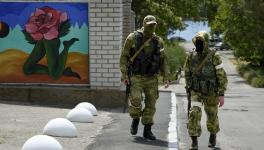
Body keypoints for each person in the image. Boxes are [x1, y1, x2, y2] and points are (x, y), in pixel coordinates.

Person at [120, 15, 170, 140]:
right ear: (144, 24)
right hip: (136, 76)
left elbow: (163, 60)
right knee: (136, 99)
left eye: (153, 25)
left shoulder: (158, 41)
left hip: (151, 78)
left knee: (151, 103)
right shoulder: (133, 38)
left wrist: (166, 76)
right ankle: (136, 119)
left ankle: (147, 129)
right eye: (149, 25)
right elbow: (124, 56)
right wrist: (124, 74)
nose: (151, 27)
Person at [184, 31, 228, 149]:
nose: (199, 44)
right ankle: (194, 141)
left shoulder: (214, 56)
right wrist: (188, 87)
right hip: (196, 91)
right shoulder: (191, 56)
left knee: (212, 115)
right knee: (193, 113)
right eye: (197, 41)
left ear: (206, 43)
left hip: (211, 92)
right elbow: (187, 72)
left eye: (201, 42)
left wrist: (221, 93)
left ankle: (213, 135)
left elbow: (221, 75)